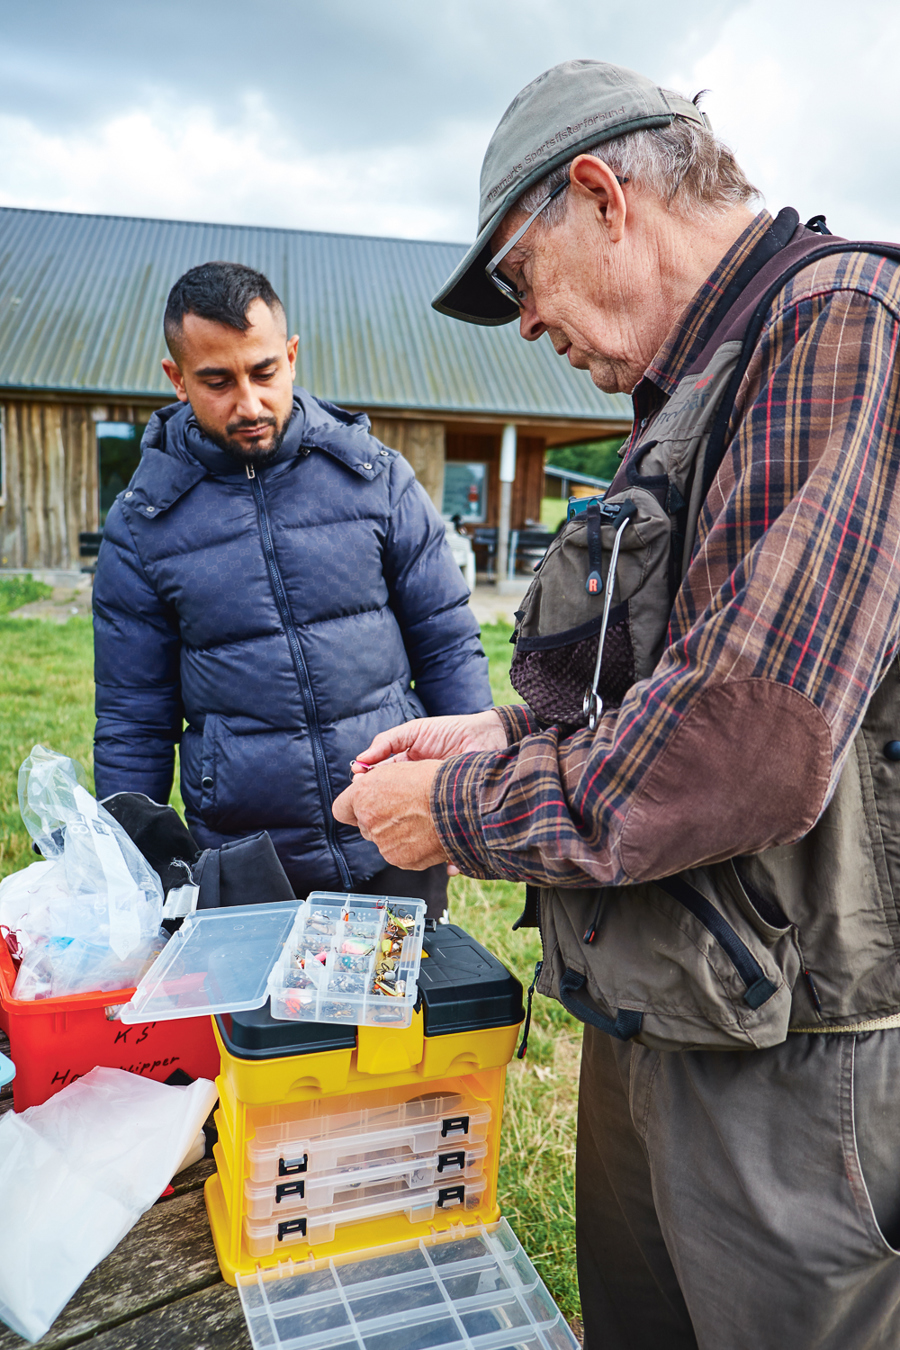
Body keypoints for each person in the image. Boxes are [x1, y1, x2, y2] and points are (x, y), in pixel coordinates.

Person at [333, 60, 900, 1349]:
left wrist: (460, 811)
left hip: (796, 1048)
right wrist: (503, 732)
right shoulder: (694, 388)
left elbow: (741, 741)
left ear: (602, 195)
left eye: (521, 283)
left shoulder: (841, 328)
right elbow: (660, 675)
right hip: (661, 1000)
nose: (530, 328)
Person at [93, 261, 492, 917]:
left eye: (265, 371)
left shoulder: (376, 480)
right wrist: (133, 870)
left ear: (293, 355)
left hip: (390, 838)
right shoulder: (143, 527)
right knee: (268, 1025)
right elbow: (134, 721)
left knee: (397, 1021)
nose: (248, 404)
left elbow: (446, 644)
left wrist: (466, 793)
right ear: (177, 378)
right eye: (217, 381)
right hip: (248, 863)